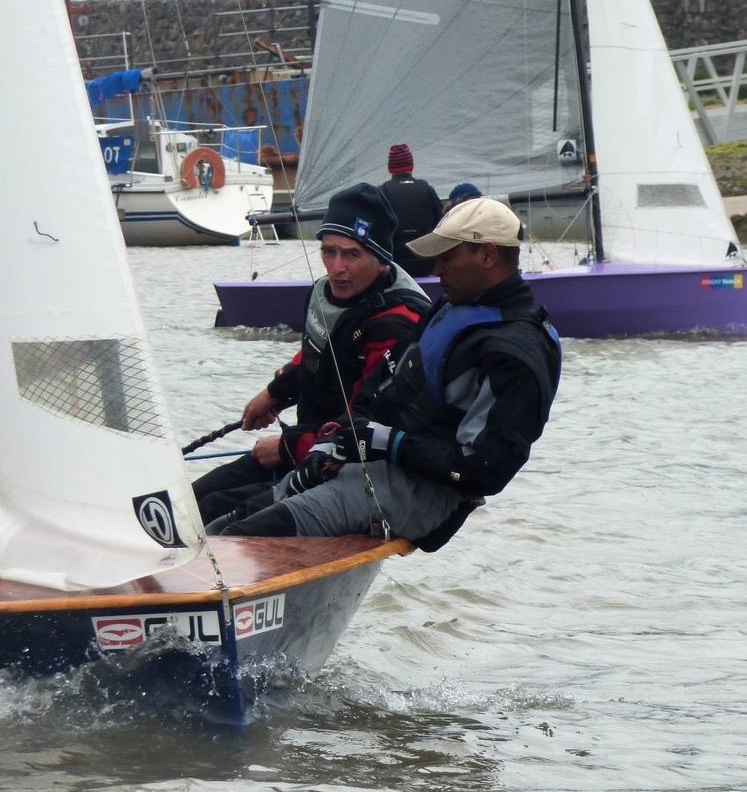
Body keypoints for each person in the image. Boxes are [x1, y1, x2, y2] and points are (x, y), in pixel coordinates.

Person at [207, 197, 561, 552]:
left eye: (448, 257)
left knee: (242, 540)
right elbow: (381, 389)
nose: (436, 267)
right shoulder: (451, 309)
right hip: (371, 467)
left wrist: (390, 443)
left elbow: (486, 470)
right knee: (227, 522)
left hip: (424, 496)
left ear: (487, 256)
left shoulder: (515, 353)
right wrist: (332, 443)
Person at [192, 182, 431, 523]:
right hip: (304, 442)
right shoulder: (324, 293)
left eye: (351, 254)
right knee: (189, 503)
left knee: (217, 515)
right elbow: (317, 353)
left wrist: (289, 446)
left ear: (380, 260)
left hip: (345, 465)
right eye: (328, 251)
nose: (336, 267)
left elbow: (369, 419)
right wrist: (273, 394)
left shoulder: (398, 324)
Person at [381, 143, 443, 278]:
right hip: (425, 263)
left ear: (390, 168)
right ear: (411, 166)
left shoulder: (383, 191)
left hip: (396, 264)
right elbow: (441, 222)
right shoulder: (426, 189)